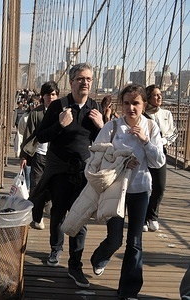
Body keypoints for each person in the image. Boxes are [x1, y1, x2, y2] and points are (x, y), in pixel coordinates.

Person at [90, 84, 166, 299]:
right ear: (121, 104)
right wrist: (119, 159)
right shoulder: (112, 127)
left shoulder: (151, 127)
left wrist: (145, 141)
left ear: (143, 104)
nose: (131, 107)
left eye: (136, 103)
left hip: (140, 189)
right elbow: (96, 154)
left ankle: (128, 290)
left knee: (135, 241)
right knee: (115, 239)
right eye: (126, 103)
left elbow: (158, 161)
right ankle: (99, 257)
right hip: (115, 189)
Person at [36, 62, 104, 288]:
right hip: (59, 171)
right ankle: (56, 250)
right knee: (57, 213)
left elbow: (103, 143)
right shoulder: (58, 107)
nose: (85, 82)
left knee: (80, 217)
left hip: (84, 171)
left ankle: (75, 265)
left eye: (89, 79)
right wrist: (59, 124)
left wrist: (101, 125)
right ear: (72, 82)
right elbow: (42, 136)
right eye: (81, 79)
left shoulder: (95, 108)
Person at [20, 81, 60, 230]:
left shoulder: (63, 112)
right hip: (39, 154)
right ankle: (37, 218)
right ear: (43, 96)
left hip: (56, 156)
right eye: (48, 94)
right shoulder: (36, 113)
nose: (51, 97)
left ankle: (47, 205)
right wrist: (24, 156)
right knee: (36, 187)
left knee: (52, 187)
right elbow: (28, 135)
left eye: (54, 94)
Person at [143, 84, 178, 232]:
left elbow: (174, 131)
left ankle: (153, 216)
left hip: (160, 151)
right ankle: (142, 218)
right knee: (144, 185)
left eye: (160, 95)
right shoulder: (143, 114)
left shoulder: (166, 114)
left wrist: (164, 141)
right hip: (144, 151)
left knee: (160, 186)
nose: (159, 97)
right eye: (156, 95)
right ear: (148, 97)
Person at [17, 98, 34, 190]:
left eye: (36, 103)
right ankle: (27, 192)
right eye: (32, 103)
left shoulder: (45, 115)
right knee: (27, 173)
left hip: (39, 152)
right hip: (27, 149)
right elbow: (20, 131)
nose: (34, 105)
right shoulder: (25, 117)